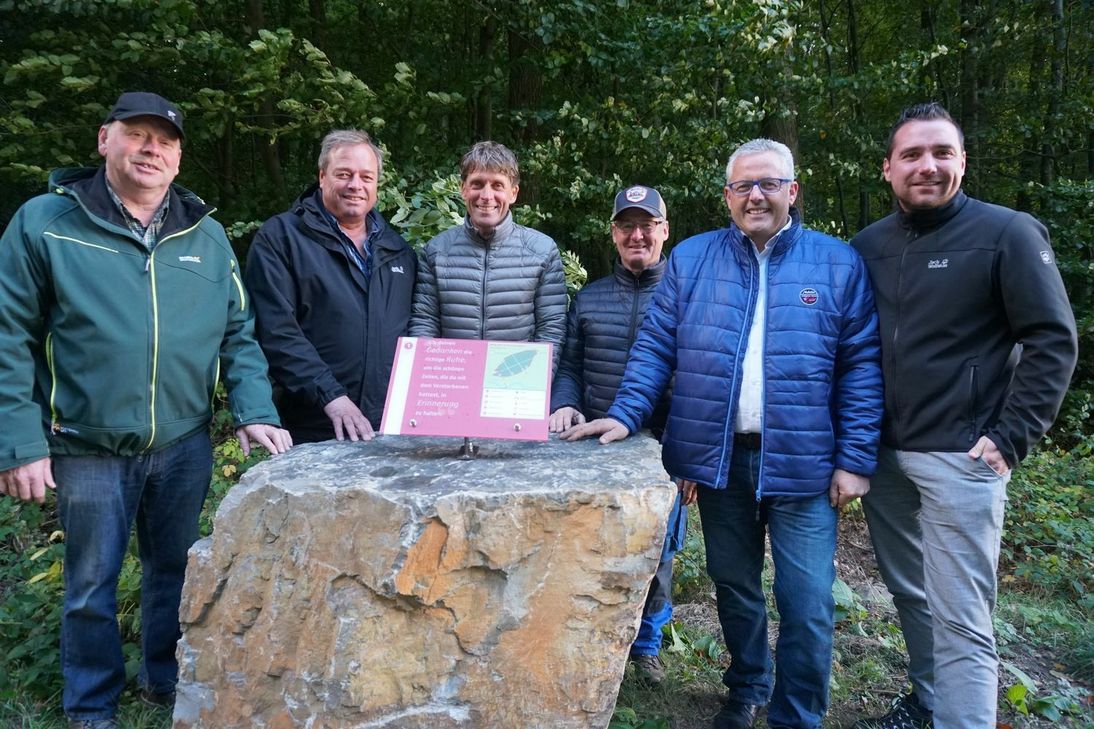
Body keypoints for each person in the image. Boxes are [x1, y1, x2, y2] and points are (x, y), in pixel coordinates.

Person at [561, 139, 883, 729]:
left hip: (805, 466)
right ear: (728, 196)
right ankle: (748, 688)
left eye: (767, 183)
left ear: (793, 190)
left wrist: (856, 457)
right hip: (721, 459)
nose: (755, 195)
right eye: (742, 186)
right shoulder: (693, 258)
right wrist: (628, 412)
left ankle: (797, 715)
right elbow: (658, 345)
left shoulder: (837, 263)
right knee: (733, 587)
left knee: (807, 602)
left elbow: (860, 364)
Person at [0, 91, 292, 729]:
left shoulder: (205, 235)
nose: (150, 148)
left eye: (164, 140)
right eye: (137, 134)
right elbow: (7, 336)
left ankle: (164, 680)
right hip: (86, 445)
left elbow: (237, 334)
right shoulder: (46, 223)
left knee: (174, 572)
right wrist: (18, 444)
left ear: (180, 158)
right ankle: (92, 705)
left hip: (183, 443)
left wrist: (254, 409)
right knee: (88, 587)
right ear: (106, 139)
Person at [850, 103, 1078, 729]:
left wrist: (1011, 437)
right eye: (913, 155)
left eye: (941, 153)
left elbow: (1053, 339)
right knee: (910, 594)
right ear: (888, 169)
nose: (928, 166)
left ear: (962, 162)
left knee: (962, 616)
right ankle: (928, 703)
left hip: (962, 455)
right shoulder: (867, 246)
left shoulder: (1008, 233)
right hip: (883, 456)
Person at [549, 185, 684, 685]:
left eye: (648, 224)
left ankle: (645, 644)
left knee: (659, 552)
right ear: (613, 233)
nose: (637, 234)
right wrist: (564, 402)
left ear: (664, 231)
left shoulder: (685, 291)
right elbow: (569, 365)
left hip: (664, 445)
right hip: (596, 445)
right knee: (592, 544)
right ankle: (589, 634)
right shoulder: (590, 297)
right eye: (627, 225)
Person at [245, 130, 416, 443]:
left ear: (377, 184)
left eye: (366, 176)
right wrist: (331, 396)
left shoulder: (398, 250)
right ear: (322, 176)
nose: (355, 185)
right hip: (314, 425)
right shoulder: (281, 239)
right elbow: (277, 331)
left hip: (388, 428)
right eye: (344, 174)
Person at [408, 141, 566, 369]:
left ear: (513, 193)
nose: (486, 195)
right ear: (463, 189)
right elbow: (424, 323)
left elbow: (551, 328)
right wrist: (428, 376)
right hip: (452, 381)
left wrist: (537, 382)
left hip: (516, 380)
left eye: (497, 186)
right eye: (477, 184)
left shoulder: (541, 251)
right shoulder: (437, 251)